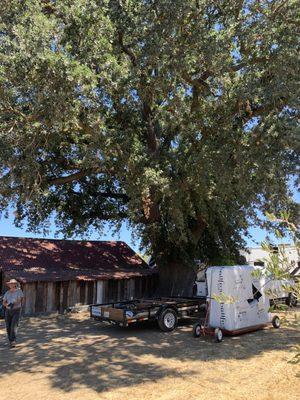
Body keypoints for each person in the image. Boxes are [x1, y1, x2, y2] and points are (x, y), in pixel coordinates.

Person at [2, 279, 24, 348]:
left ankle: (13, 341)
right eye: (10, 284)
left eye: (12, 283)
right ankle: (10, 340)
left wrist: (13, 304)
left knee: (14, 325)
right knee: (8, 326)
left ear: (15, 284)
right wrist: (6, 305)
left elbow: (20, 300)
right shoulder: (7, 292)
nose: (11, 285)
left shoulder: (19, 291)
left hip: (16, 310)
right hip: (8, 311)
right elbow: (4, 302)